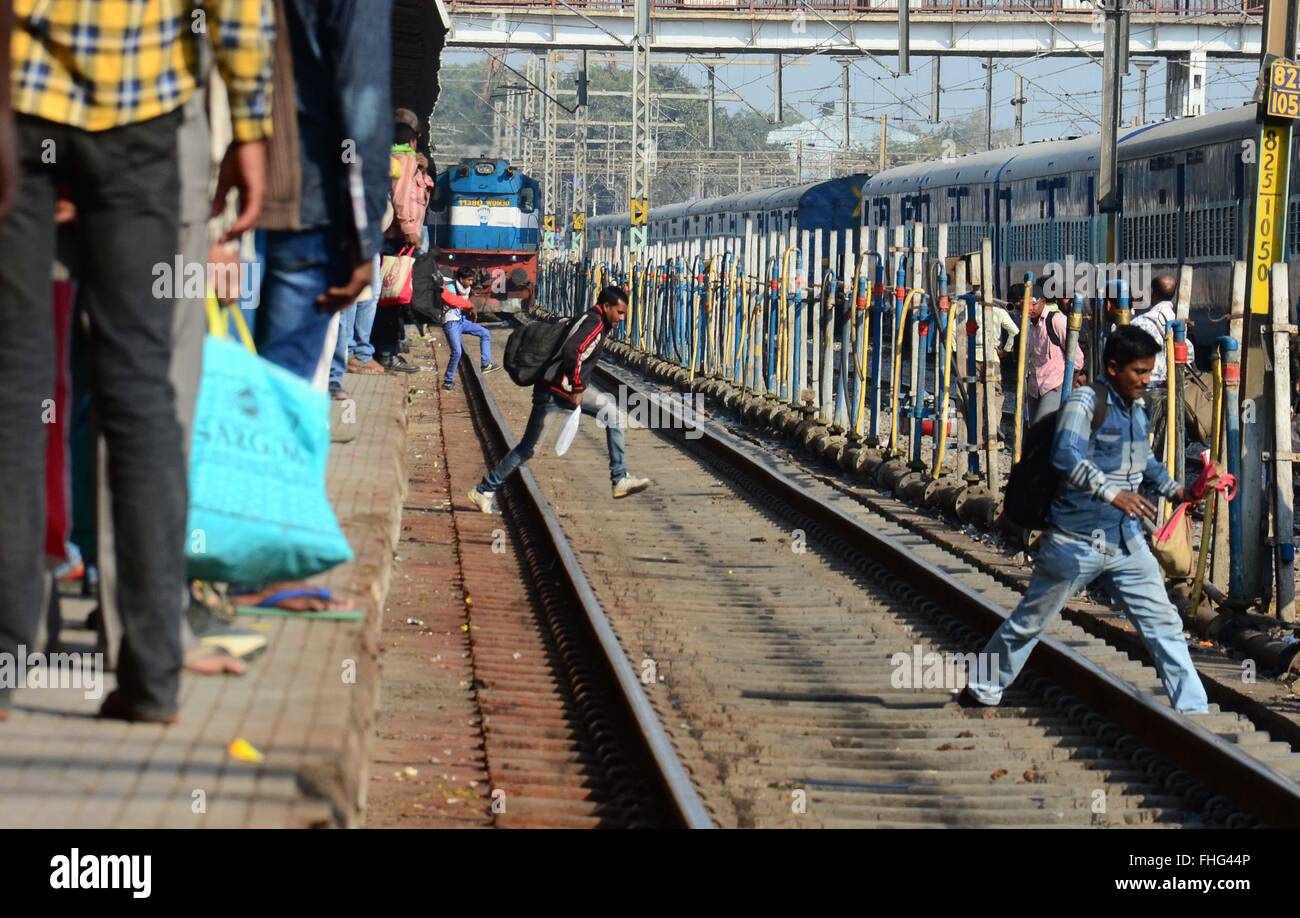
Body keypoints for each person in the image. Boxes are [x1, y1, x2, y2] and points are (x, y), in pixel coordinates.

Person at [0, 0, 271, 724]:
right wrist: (250, 124)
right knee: (141, 391)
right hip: (144, 115)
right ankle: (153, 677)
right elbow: (239, 11)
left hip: (18, 107)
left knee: (17, 388)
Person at [231, 0, 393, 613]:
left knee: (226, 379)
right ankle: (263, 563)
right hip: (308, 204)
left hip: (230, 194)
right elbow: (361, 95)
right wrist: (363, 235)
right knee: (288, 388)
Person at [962, 325, 1209, 715]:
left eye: (1149, 372)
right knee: (1031, 621)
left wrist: (1182, 491)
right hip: (1075, 540)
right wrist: (1113, 493)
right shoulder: (1085, 402)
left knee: (1164, 625)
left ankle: (1194, 712)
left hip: (1127, 542)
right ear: (1112, 368)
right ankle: (982, 687)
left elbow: (1146, 463)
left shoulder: (1137, 409)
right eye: (1139, 372)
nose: (1146, 380)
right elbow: (1065, 455)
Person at [469, 286, 650, 512]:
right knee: (533, 446)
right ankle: (619, 478)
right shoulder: (594, 324)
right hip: (558, 389)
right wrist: (576, 386)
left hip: (552, 386)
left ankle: (484, 490)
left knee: (530, 446)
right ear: (606, 307)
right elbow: (573, 351)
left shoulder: (590, 318)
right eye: (620, 312)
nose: (622, 318)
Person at [372, 108, 428, 374]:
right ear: (414, 139)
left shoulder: (387, 156)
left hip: (386, 237)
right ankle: (385, 351)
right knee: (391, 299)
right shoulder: (404, 160)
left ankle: (384, 349)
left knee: (385, 297)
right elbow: (402, 197)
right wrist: (409, 229)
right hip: (395, 239)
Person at [1132, 273, 1199, 460]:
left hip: (1144, 395)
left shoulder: (1141, 322)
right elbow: (1189, 355)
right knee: (1165, 451)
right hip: (1170, 394)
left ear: (1152, 292)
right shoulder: (1180, 326)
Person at [1015, 281, 1084, 423]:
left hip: (1054, 386)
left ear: (1043, 302)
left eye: (1033, 304)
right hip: (1034, 388)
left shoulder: (1057, 321)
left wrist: (1067, 390)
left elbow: (1077, 360)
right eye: (1026, 304)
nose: (1030, 308)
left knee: (1041, 426)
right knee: (1035, 431)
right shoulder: (1027, 326)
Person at [441, 267, 500, 392]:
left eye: (472, 280)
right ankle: (448, 380)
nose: (471, 283)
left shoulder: (466, 288)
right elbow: (454, 302)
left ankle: (485, 364)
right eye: (469, 280)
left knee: (485, 333)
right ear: (461, 279)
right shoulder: (451, 287)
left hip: (461, 321)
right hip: (451, 322)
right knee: (457, 352)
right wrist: (470, 307)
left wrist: (470, 311)